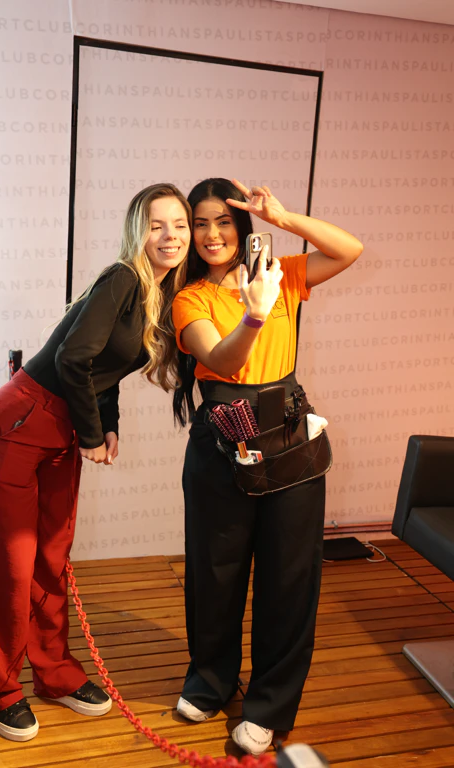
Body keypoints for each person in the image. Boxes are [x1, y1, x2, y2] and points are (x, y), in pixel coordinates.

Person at [0, 183, 191, 742]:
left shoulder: (160, 293)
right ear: (138, 231)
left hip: (64, 426)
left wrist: (107, 424)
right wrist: (92, 434)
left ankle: (55, 674)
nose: (170, 236)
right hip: (20, 423)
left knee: (51, 558)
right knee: (11, 566)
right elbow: (73, 358)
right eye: (157, 225)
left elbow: (103, 369)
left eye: (180, 225)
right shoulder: (122, 278)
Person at [171, 178, 363, 756]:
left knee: (289, 577)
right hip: (221, 441)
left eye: (223, 222)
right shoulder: (190, 298)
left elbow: (349, 249)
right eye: (199, 224)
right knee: (215, 571)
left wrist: (282, 217)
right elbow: (223, 359)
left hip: (287, 439)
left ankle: (270, 705)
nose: (211, 235)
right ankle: (210, 681)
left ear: (243, 227)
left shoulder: (282, 276)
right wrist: (253, 315)